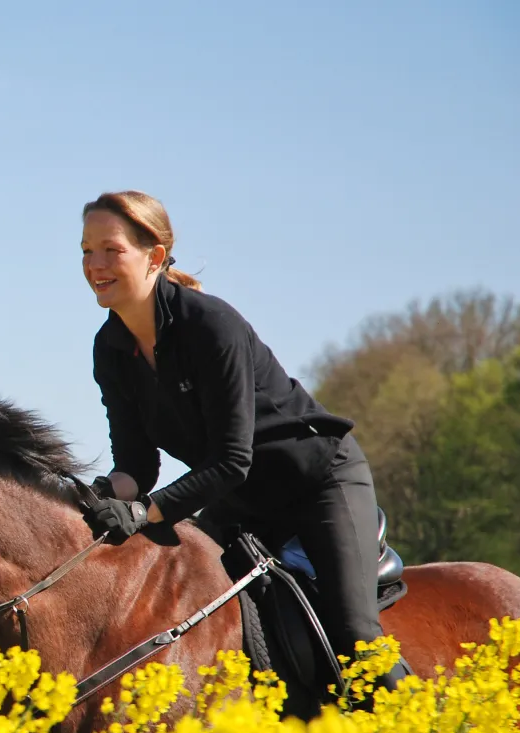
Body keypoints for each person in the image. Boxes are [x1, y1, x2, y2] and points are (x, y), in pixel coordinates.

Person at [78, 189, 405, 694]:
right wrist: (98, 497)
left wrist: (146, 513)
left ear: (155, 257)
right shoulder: (110, 348)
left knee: (356, 639)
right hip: (242, 503)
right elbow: (137, 468)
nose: (95, 264)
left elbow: (231, 461)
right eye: (85, 251)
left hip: (318, 482)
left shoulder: (211, 326)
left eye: (110, 250)